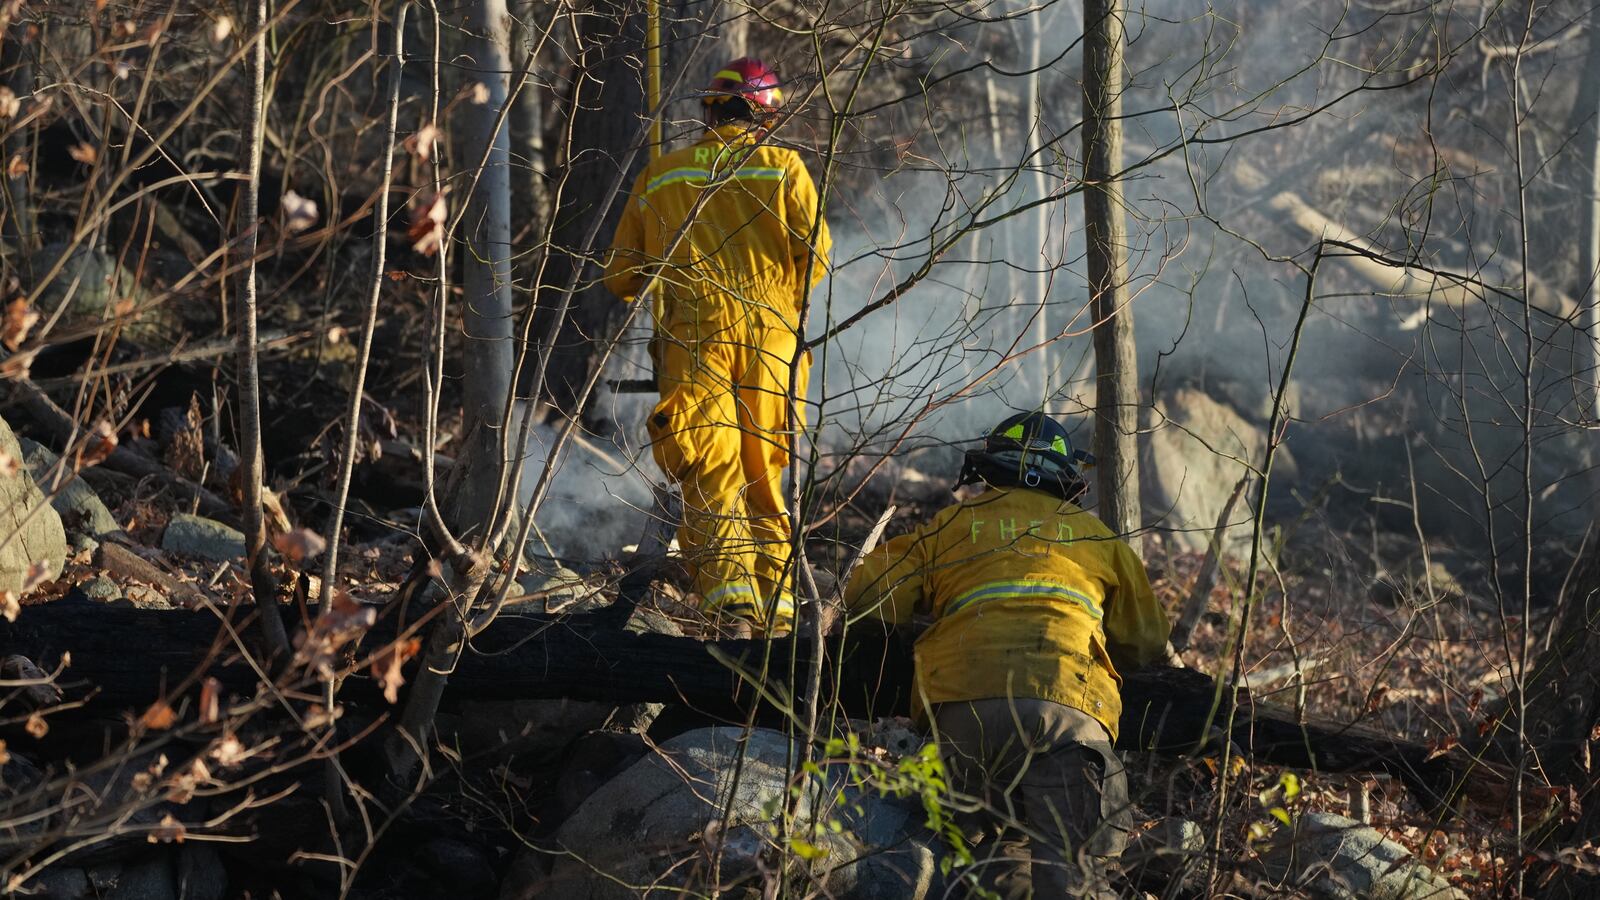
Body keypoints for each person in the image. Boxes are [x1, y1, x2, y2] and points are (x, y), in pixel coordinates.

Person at [843, 412, 1171, 898]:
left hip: (963, 709)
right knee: (1075, 872)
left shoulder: (952, 522)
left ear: (990, 465)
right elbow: (1145, 640)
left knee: (997, 855)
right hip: (1068, 712)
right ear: (1064, 473)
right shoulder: (1098, 537)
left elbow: (870, 593)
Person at [604, 58, 831, 636]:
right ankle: (777, 608)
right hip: (774, 337)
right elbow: (817, 255)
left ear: (710, 109)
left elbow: (620, 276)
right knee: (764, 468)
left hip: (695, 334)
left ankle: (731, 604)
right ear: (766, 118)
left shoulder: (662, 175)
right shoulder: (783, 167)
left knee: (711, 465)